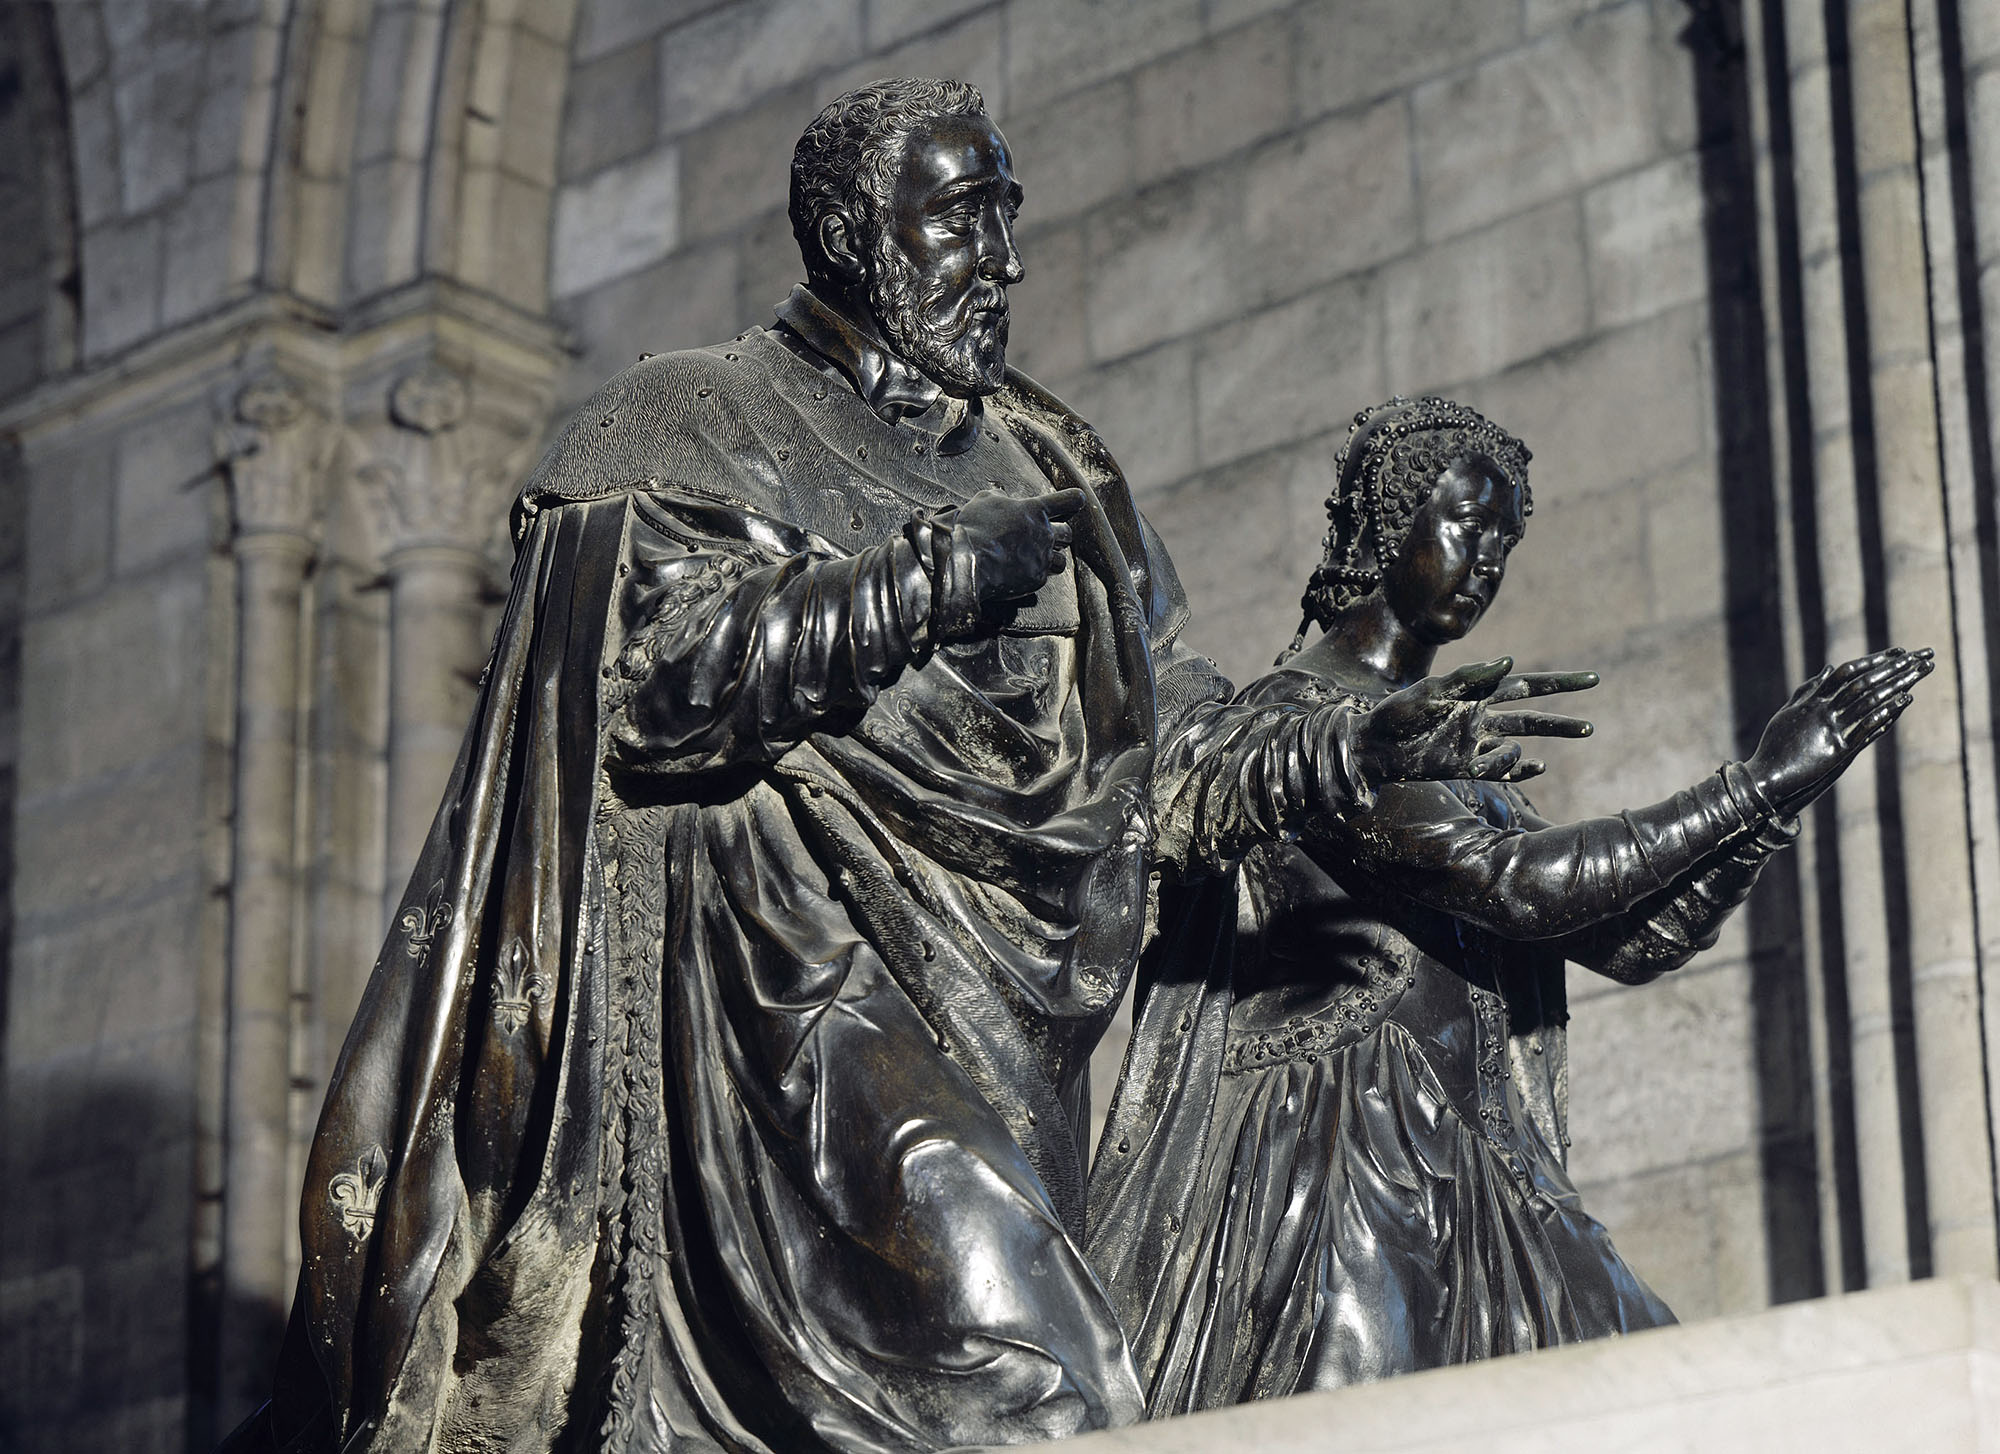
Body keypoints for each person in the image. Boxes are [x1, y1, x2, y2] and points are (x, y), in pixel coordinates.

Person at [223, 90, 1587, 1454]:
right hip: (784, 994)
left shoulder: (1053, 463)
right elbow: (654, 692)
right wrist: (928, 578)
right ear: (846, 230)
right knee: (1037, 1380)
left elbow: (1170, 754)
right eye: (961, 214)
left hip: (1000, 1018)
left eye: (1008, 214)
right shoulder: (687, 417)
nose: (1002, 259)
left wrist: (1348, 746)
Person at [1085, 396, 1932, 1415]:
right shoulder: (1298, 725)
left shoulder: (1470, 774)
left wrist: (1776, 799)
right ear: (1384, 525)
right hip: (1338, 1152)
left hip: (1479, 1156)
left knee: (1663, 1389)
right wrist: (1746, 784)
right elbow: (1518, 889)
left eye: (1502, 541)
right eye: (1463, 526)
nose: (1484, 560)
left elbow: (1640, 935)